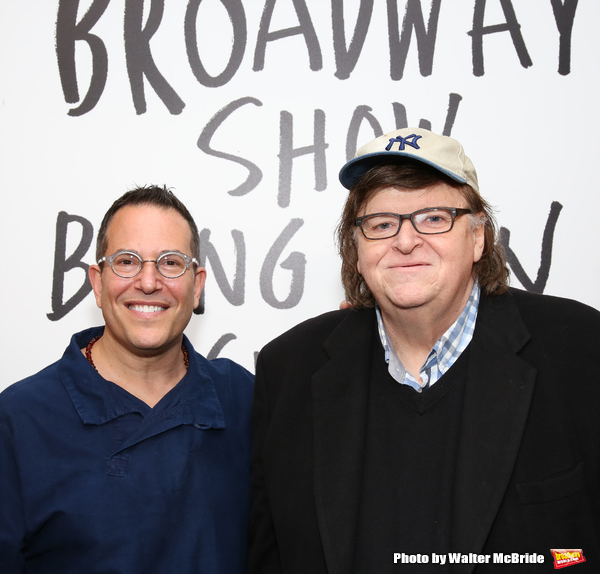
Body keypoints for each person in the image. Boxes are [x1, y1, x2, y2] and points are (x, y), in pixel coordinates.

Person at [248, 128, 600, 573]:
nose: (406, 240)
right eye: (380, 224)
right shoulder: (289, 369)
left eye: (434, 218)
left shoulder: (580, 347)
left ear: (477, 237)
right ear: (356, 250)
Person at [0, 185, 254, 573]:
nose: (149, 282)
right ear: (98, 283)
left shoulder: (245, 399)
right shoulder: (19, 419)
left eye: (170, 262)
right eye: (127, 261)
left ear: (197, 285)